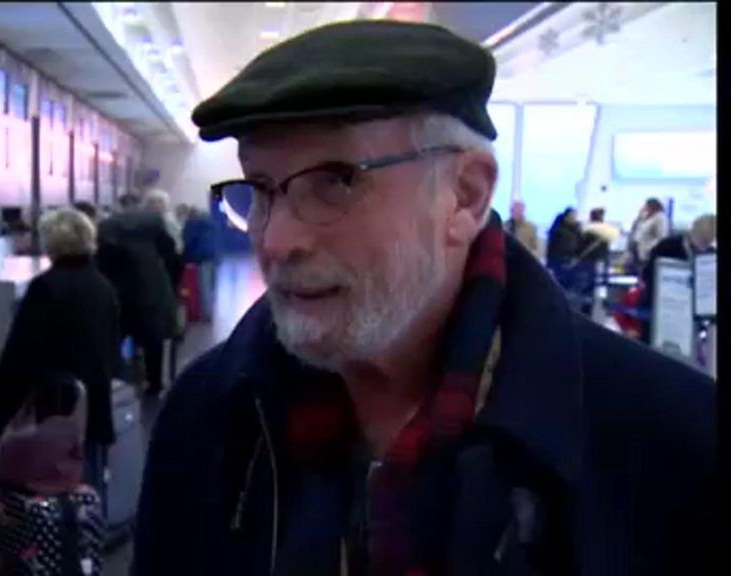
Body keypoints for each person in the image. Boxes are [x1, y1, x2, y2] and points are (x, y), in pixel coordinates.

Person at [133, 20, 715, 575]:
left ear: (464, 195)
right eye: (260, 190)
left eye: (335, 181)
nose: (278, 240)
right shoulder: (207, 417)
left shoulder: (674, 441)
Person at [0, 208, 121, 503]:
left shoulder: (46, 288)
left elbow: (21, 354)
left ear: (53, 242)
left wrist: (2, 407)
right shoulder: (102, 286)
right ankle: (87, 539)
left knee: (55, 490)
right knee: (89, 486)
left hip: (56, 411)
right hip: (94, 405)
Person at [96, 193, 181, 396]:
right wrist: (170, 284)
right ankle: (154, 383)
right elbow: (171, 255)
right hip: (151, 290)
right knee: (154, 340)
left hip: (118, 293)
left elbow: (100, 262)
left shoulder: (106, 226)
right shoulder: (154, 221)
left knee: (115, 338)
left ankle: (116, 378)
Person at [636, 213, 717, 344]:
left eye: (707, 242)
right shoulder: (667, 246)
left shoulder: (710, 255)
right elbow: (648, 275)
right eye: (702, 241)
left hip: (687, 316)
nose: (703, 246)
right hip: (659, 308)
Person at [181, 206, 220, 322]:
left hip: (201, 258)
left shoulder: (191, 225)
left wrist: (185, 258)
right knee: (211, 286)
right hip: (213, 257)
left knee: (204, 287)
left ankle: (206, 314)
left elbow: (188, 242)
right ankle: (211, 312)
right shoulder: (212, 224)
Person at [628, 197, 669, 273]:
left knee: (647, 276)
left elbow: (662, 237)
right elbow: (637, 228)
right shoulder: (646, 217)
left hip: (649, 253)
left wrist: (651, 248)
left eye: (646, 206)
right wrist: (639, 216)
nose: (644, 207)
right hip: (639, 252)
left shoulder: (660, 218)